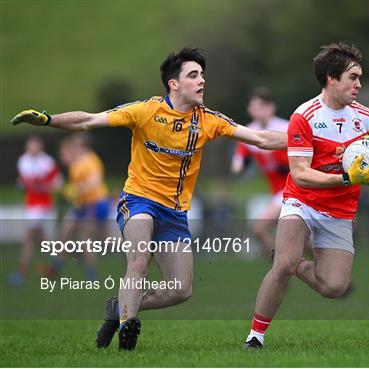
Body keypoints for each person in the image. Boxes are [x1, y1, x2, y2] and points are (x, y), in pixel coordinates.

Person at [10, 47, 287, 350]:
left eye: (203, 75)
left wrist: (306, 137)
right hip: (138, 201)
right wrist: (48, 119)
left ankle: (119, 311)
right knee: (138, 263)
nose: (202, 81)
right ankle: (128, 330)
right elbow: (88, 121)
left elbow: (262, 138)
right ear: (174, 83)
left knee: (180, 290)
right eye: (193, 75)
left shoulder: (209, 121)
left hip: (175, 212)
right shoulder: (145, 111)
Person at [243, 42, 369, 349]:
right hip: (302, 201)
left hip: (341, 209)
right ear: (331, 78)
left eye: (360, 77)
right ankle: (255, 337)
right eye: (353, 77)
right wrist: (346, 176)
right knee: (281, 266)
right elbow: (300, 173)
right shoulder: (304, 115)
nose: (359, 84)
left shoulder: (366, 117)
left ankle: (294, 262)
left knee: (334, 287)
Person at [38, 133, 110, 281]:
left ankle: (92, 274)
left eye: (76, 144)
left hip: (93, 203)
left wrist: (74, 189)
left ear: (84, 145)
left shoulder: (90, 160)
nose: (73, 147)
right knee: (64, 233)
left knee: (86, 239)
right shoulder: (78, 161)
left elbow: (95, 182)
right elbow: (74, 187)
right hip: (81, 204)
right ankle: (56, 268)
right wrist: (66, 189)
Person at [231, 87, 289, 258]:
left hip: (294, 190)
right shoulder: (249, 134)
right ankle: (296, 270)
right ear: (249, 110)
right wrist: (243, 164)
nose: (259, 111)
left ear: (271, 107)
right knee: (303, 241)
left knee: (259, 228)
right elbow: (237, 166)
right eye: (255, 107)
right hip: (278, 193)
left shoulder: (285, 128)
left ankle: (281, 269)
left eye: (263, 106)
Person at [6, 136, 63, 286]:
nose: (32, 148)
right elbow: (22, 182)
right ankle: (57, 258)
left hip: (43, 204)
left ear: (40, 146)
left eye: (35, 145)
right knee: (39, 236)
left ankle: (22, 273)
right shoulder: (23, 160)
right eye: (30, 145)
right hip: (31, 204)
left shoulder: (47, 162)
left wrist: (45, 187)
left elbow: (58, 182)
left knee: (29, 236)